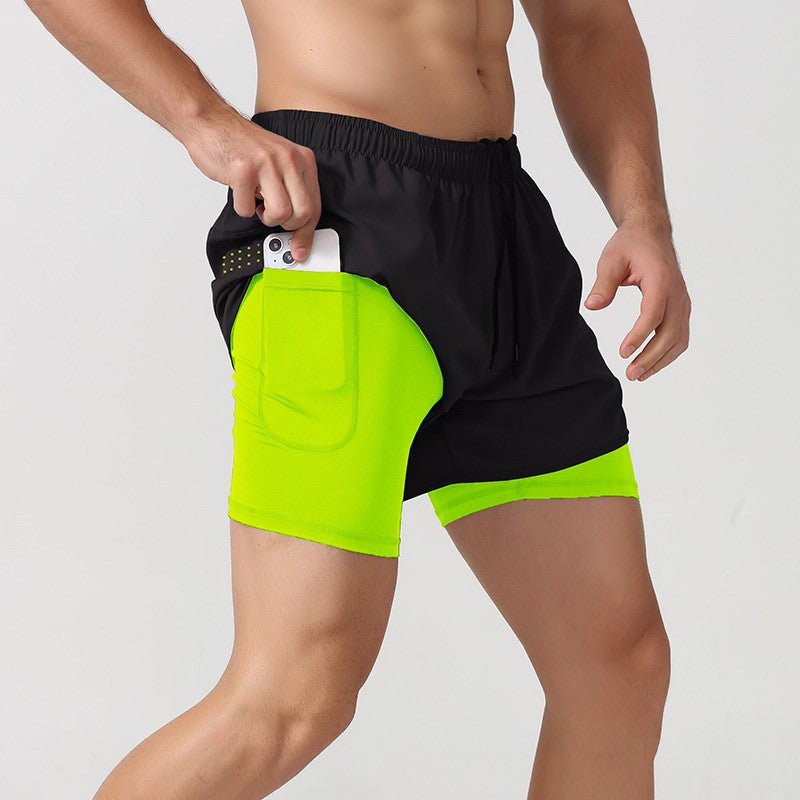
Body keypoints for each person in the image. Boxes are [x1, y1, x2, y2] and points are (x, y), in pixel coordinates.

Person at [25, 0, 691, 797]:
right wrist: (204, 121)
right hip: (331, 219)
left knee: (616, 665)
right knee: (292, 697)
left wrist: (643, 215)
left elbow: (585, 25)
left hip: (504, 232)